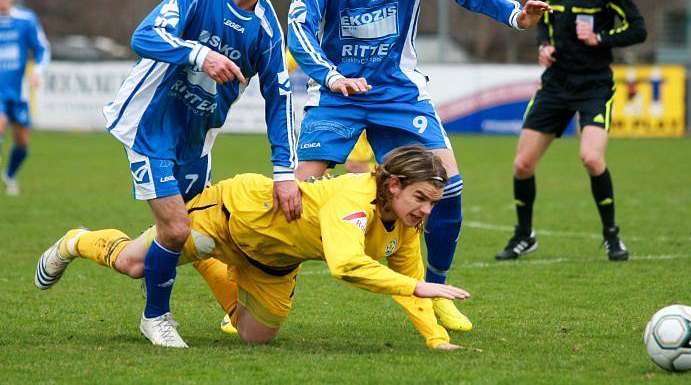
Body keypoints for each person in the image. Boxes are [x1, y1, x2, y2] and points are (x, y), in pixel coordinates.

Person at [286, 0, 550, 332]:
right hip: (338, 93)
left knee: (447, 184)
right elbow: (300, 30)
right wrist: (331, 78)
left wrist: (514, 14)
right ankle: (261, 294)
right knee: (297, 198)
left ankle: (438, 290)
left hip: (397, 91)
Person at [57, 0, 301, 348]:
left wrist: (285, 172)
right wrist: (199, 55)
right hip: (149, 124)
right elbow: (145, 35)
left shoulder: (266, 28)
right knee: (176, 229)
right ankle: (156, 318)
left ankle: (76, 243)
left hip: (196, 142)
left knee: (154, 252)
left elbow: (279, 100)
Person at [35, 145, 468, 350]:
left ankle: (210, 267)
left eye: (433, 202)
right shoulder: (354, 200)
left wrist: (436, 339)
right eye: (421, 199)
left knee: (256, 337)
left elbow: (408, 277)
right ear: (393, 185)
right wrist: (419, 288)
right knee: (134, 264)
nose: (427, 210)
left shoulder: (406, 225)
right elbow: (346, 264)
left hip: (274, 264)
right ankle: (75, 240)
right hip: (229, 217)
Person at [495, 0, 646, 262]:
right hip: (556, 85)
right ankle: (524, 234)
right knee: (522, 165)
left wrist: (601, 37)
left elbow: (638, 29)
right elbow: (544, 22)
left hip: (594, 86)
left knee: (591, 158)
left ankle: (612, 236)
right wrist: (543, 45)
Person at [0, 0, 50, 196]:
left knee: (22, 142)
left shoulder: (25, 19)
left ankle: (9, 174)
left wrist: (38, 71)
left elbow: (42, 48)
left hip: (17, 91)